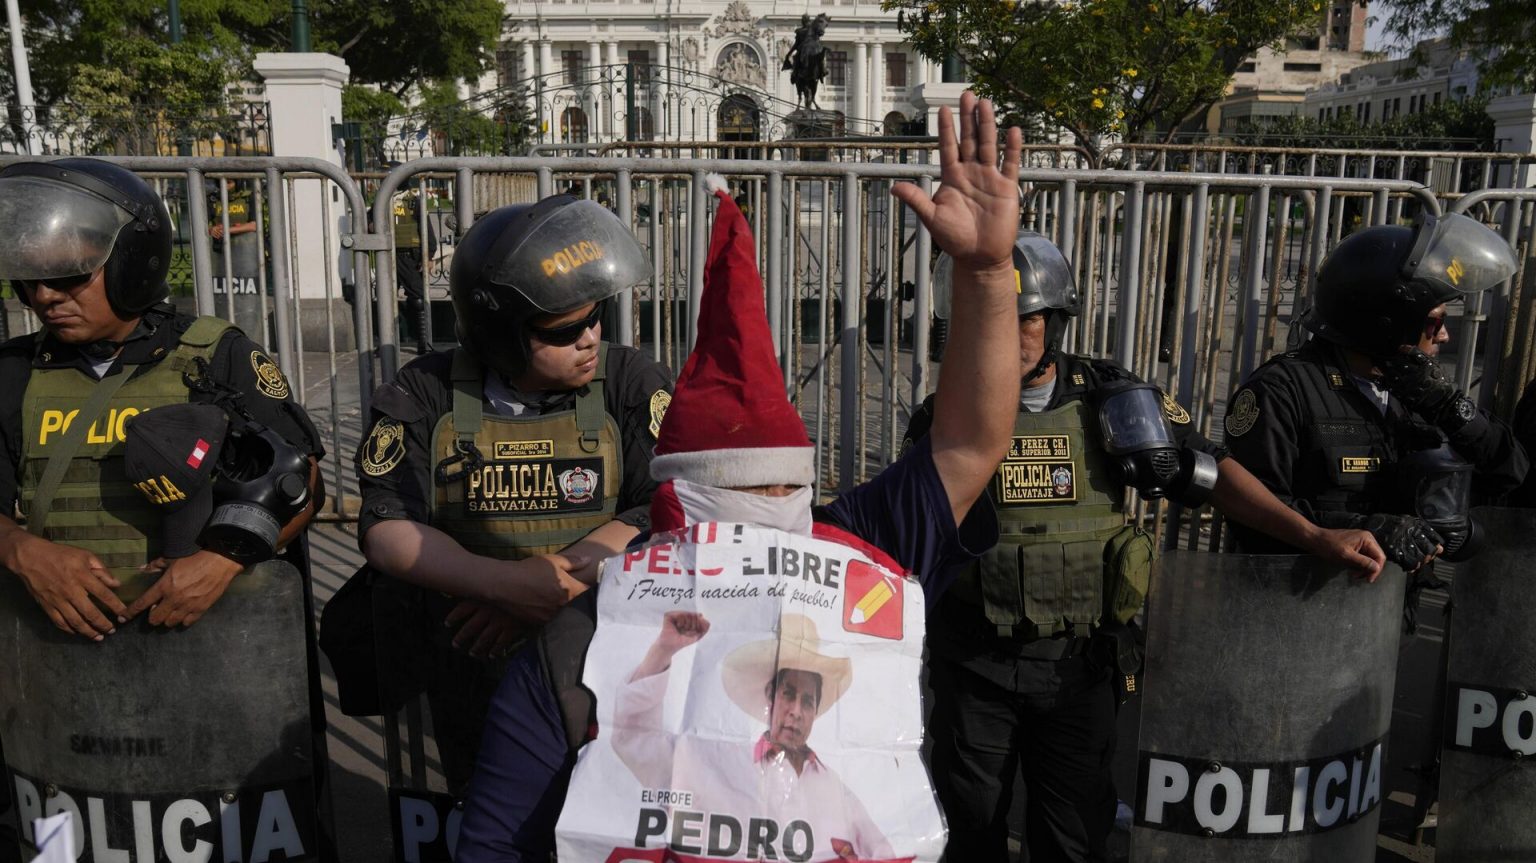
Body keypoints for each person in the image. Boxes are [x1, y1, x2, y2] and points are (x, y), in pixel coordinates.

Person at [454, 90, 1023, 862]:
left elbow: (969, 445)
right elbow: (494, 846)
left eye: (782, 495)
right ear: (675, 508)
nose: (766, 523)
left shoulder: (856, 562)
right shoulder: (584, 647)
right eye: (741, 502)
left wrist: (987, 273)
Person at [908, 232, 1387, 863]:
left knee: (1074, 837)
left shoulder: (1114, 397)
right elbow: (901, 529)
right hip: (975, 665)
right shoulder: (943, 414)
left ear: (1055, 321)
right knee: (971, 828)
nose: (1003, 336)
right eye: (984, 320)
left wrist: (1313, 535)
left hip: (1079, 666)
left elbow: (1215, 472)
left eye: (1022, 320)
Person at [354, 193, 675, 792]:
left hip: (599, 654)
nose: (590, 337)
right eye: (564, 330)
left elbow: (663, 508)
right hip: (468, 663)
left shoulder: (630, 381)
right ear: (500, 335)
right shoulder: (426, 391)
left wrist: (549, 587)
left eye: (595, 316)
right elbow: (386, 524)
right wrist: (505, 587)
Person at [0, 157, 324, 635]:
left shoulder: (216, 355)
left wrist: (221, 561)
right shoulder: (14, 371)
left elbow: (302, 483)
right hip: (55, 648)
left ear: (130, 264)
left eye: (69, 276)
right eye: (31, 281)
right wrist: (21, 551)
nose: (45, 297)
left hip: (208, 636)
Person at [1225, 213, 1527, 572]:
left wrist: (1453, 410)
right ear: (1388, 324)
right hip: (1308, 596)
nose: (1444, 336)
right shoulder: (1281, 393)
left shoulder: (1417, 390)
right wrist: (1361, 529)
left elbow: (1510, 473)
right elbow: (1251, 517)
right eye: (1434, 323)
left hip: (1394, 598)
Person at [612, 611, 893, 860]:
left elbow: (887, 855)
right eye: (789, 694)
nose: (796, 711)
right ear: (770, 698)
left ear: (816, 711)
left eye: (807, 701)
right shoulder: (719, 768)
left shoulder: (837, 793)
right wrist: (663, 650)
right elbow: (634, 739)